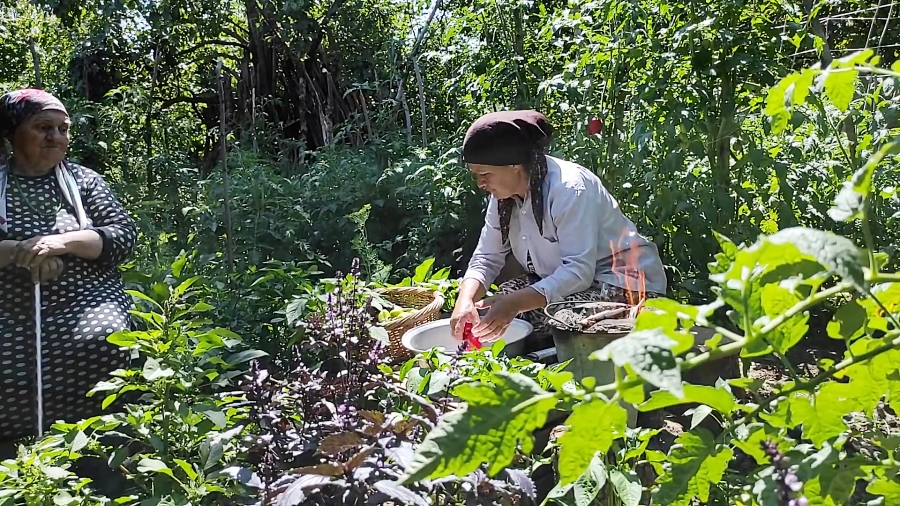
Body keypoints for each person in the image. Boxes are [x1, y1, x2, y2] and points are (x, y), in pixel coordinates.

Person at [450, 110, 667, 344]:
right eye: (476, 175)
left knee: (557, 317)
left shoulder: (569, 189)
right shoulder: (502, 197)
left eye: (485, 174)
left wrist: (514, 304)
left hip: (623, 285)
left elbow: (578, 272)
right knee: (491, 311)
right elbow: (487, 257)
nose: (481, 183)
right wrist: (465, 301)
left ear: (514, 165)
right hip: (571, 282)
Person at [0, 88, 137, 450]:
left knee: (105, 337)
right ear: (13, 133)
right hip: (10, 307)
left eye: (63, 129)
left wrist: (63, 243)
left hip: (84, 299)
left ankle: (100, 449)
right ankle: (15, 457)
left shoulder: (84, 182)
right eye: (43, 127)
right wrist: (18, 252)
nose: (56, 137)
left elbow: (122, 236)